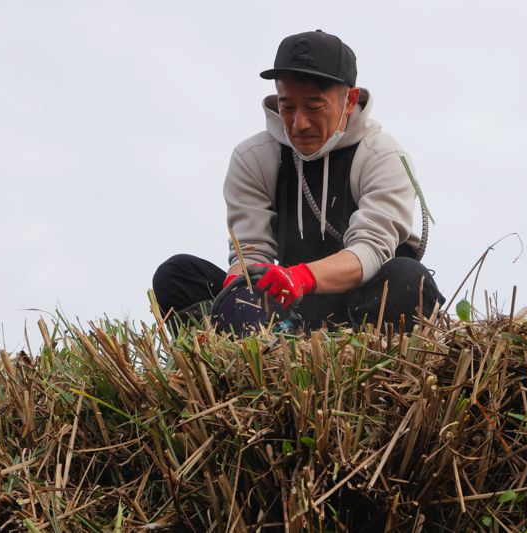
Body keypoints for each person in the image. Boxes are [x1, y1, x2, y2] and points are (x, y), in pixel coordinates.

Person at [153, 29, 444, 333]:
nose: (298, 123)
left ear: (350, 100)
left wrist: (301, 278)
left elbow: (371, 249)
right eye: (287, 106)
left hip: (364, 308)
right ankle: (252, 350)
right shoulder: (254, 157)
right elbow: (250, 254)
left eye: (314, 107)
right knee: (177, 275)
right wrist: (240, 292)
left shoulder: (383, 155)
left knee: (411, 280)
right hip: (287, 314)